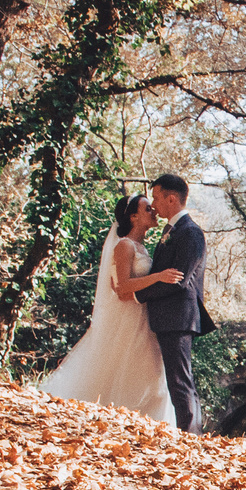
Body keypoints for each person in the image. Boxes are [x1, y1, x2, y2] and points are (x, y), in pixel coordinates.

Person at [38, 192, 183, 425]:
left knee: (153, 374)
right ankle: (119, 421)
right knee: (132, 369)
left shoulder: (143, 247)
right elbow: (123, 288)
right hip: (129, 318)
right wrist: (159, 277)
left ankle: (150, 425)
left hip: (146, 317)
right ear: (133, 217)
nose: (153, 211)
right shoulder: (124, 246)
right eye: (147, 208)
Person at [139, 173, 214, 433]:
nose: (153, 204)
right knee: (176, 380)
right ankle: (188, 434)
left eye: (157, 198)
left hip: (179, 317)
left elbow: (179, 280)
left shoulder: (190, 232)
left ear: (172, 199)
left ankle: (190, 437)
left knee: (181, 382)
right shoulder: (171, 230)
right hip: (169, 317)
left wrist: (140, 294)